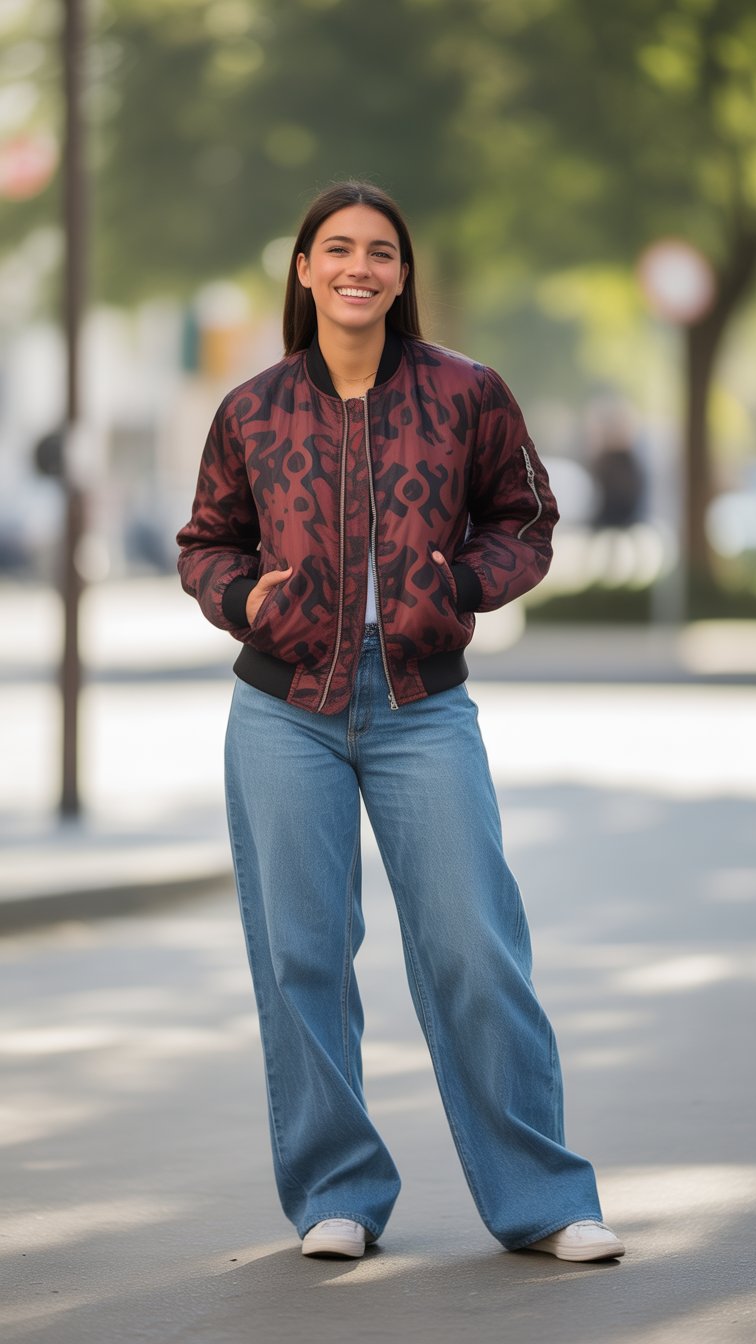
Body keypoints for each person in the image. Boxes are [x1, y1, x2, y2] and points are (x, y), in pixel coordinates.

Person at [177, 180, 625, 1264]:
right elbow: (205, 543)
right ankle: (337, 1194)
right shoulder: (252, 409)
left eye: (380, 251)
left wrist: (457, 585)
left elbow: (527, 517)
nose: (359, 267)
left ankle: (543, 1200)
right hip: (284, 710)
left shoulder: (467, 393)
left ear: (402, 274)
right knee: (303, 958)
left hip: (422, 706)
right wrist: (244, 598)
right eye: (337, 249)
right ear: (304, 270)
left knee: (476, 945)